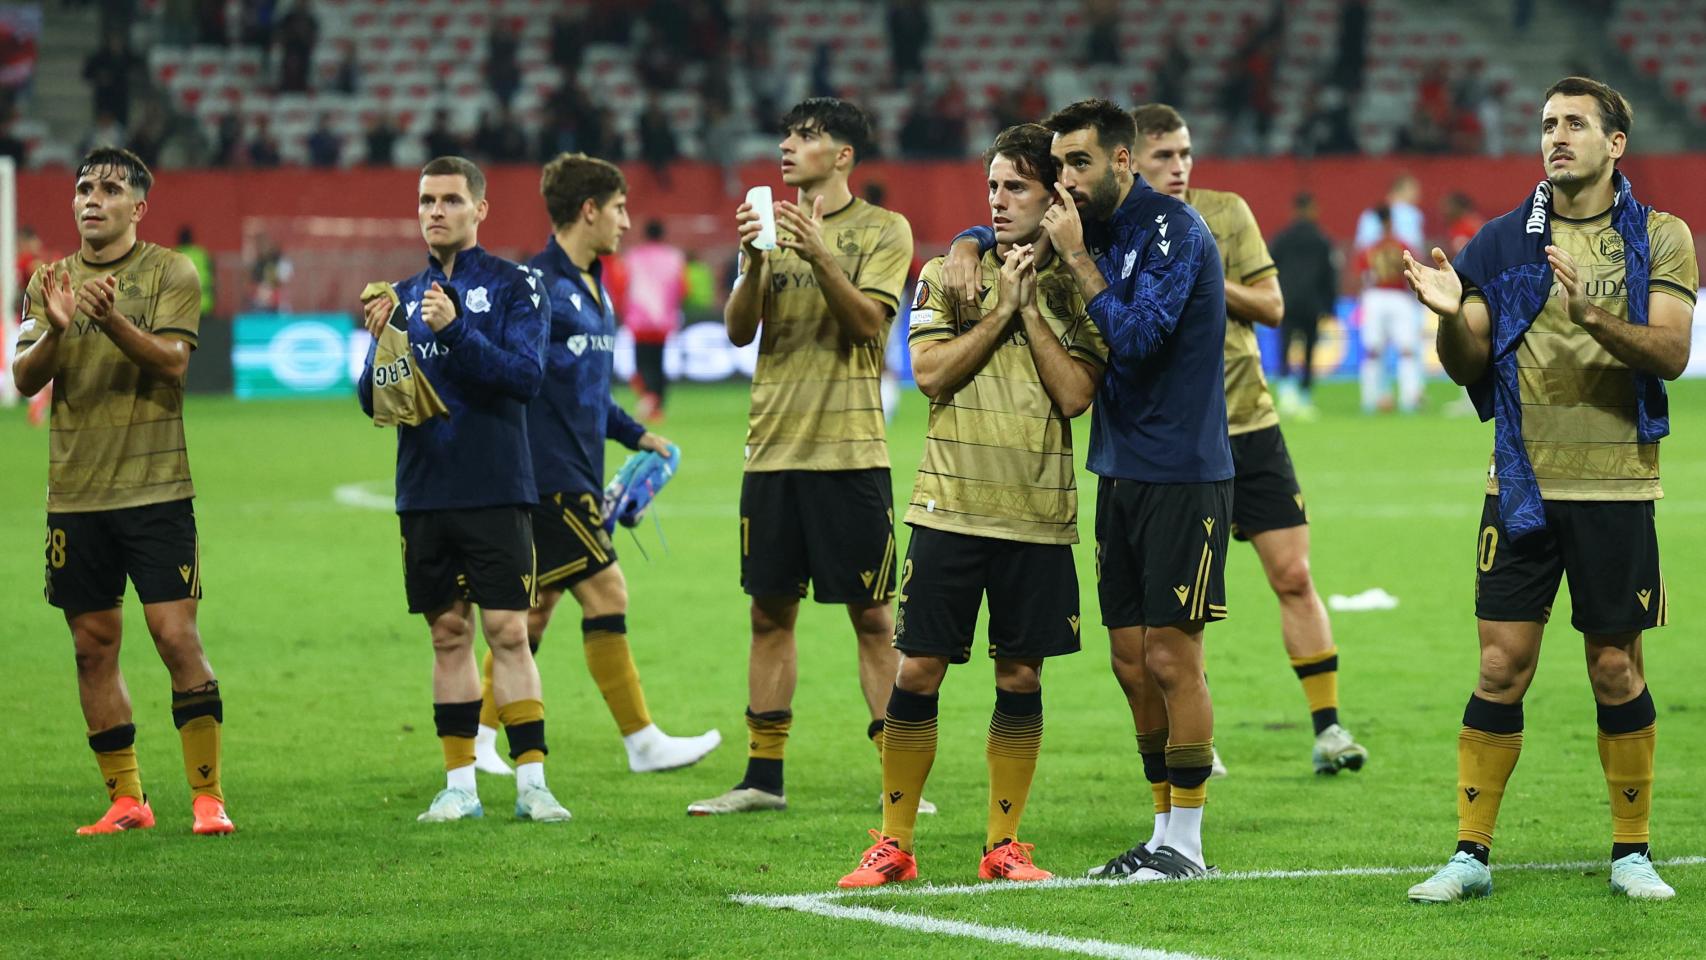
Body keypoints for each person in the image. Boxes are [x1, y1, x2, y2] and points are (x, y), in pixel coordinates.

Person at [1403, 77, 1695, 903]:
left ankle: (1632, 853)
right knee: (1500, 665)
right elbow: (1467, 366)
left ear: (1616, 144)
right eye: (1546, 125)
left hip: (1617, 487)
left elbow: (1671, 352)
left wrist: (1592, 314)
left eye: (1573, 124)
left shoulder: (1661, 238)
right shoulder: (1502, 244)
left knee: (1614, 669)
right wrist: (1451, 315)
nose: (1555, 137)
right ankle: (1469, 854)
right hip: (1521, 486)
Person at [944, 98, 1230, 881]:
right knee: (1131, 663)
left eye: (1078, 164)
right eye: (1059, 166)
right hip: (1121, 470)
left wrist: (1075, 259)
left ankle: (1187, 845)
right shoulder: (1092, 225)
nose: (1064, 180)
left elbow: (1136, 340)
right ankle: (1161, 830)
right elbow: (1010, 223)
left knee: (1174, 659)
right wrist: (970, 242)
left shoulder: (1172, 230)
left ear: (1122, 161)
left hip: (1184, 472)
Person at [838, 124, 1104, 889]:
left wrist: (1025, 308)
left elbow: (1078, 393)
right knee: (917, 669)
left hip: (1039, 517)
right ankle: (892, 842)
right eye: (992, 185)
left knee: (1021, 678)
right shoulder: (944, 273)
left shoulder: (1081, 284)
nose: (997, 198)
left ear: (1056, 196)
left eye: (1015, 186)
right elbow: (929, 373)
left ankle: (1004, 846)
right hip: (948, 508)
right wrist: (998, 303)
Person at [1125, 103, 1368, 780]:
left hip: (1249, 425)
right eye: (1164, 156)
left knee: (1293, 575)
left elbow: (1271, 306)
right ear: (1131, 161)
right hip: (1169, 441)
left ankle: (1328, 728)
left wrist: (1204, 273)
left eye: (1185, 153)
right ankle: (1191, 730)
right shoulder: (1116, 228)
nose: (1179, 166)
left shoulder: (1224, 213)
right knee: (1175, 608)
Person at [689, 97, 916, 816]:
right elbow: (735, 331)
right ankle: (762, 778)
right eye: (787, 133)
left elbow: (866, 328)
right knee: (768, 615)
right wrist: (757, 261)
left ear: (843, 155)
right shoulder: (766, 226)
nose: (787, 145)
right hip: (772, 450)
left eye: (807, 136)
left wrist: (817, 254)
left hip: (850, 451)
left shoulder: (884, 230)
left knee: (874, 618)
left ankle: (898, 776)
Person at [466, 153, 720, 777]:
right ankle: (642, 742)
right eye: (618, 209)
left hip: (576, 471)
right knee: (608, 589)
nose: (627, 222)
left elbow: (588, 394)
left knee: (535, 609)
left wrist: (637, 435)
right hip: (548, 478)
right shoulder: (535, 289)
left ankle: (475, 740)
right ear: (589, 210)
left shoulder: (593, 288)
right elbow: (504, 376)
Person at [11, 147, 233, 836]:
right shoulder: (48, 279)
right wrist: (56, 325)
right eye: (83, 188)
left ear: (138, 206)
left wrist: (107, 320)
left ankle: (207, 798)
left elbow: (172, 364)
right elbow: (23, 378)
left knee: (174, 635)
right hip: (75, 496)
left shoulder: (171, 271)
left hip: (157, 488)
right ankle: (127, 800)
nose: (91, 200)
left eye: (109, 189)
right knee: (92, 645)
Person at [356, 156, 570, 825]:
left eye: (450, 199)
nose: (435, 211)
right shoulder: (399, 294)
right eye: (426, 200)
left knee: (507, 629)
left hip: (497, 485)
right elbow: (373, 401)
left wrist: (455, 330)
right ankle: (459, 785)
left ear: (481, 209)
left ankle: (533, 783)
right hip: (424, 490)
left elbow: (526, 376)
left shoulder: (517, 287)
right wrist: (381, 351)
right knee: (447, 635)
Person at [1269, 193, 1338, 418]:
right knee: (1308, 349)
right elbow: (1329, 275)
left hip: (1286, 301)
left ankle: (1286, 394)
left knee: (1285, 346)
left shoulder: (1282, 238)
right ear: (1311, 209)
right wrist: (1330, 306)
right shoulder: (1321, 239)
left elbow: (1269, 268)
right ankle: (1305, 396)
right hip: (1311, 302)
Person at [1355, 204, 1422, 413]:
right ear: (1392, 221)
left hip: (1374, 297)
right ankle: (1409, 400)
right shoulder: (1403, 246)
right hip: (1399, 298)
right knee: (1407, 351)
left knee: (1372, 352)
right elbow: (1414, 273)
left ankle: (1369, 400)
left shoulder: (1370, 248)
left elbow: (1363, 277)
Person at [621, 219, 686, 421]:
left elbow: (622, 285)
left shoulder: (633, 257)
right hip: (663, 322)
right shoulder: (674, 257)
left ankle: (648, 398)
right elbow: (683, 287)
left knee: (642, 364)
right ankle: (657, 406)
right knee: (658, 364)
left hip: (639, 321)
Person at [1355, 172, 1424, 252]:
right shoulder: (1412, 214)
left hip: (1373, 260)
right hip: (1401, 260)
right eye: (1414, 189)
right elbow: (1414, 245)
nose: (1418, 194)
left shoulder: (1368, 214)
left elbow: (1361, 245)